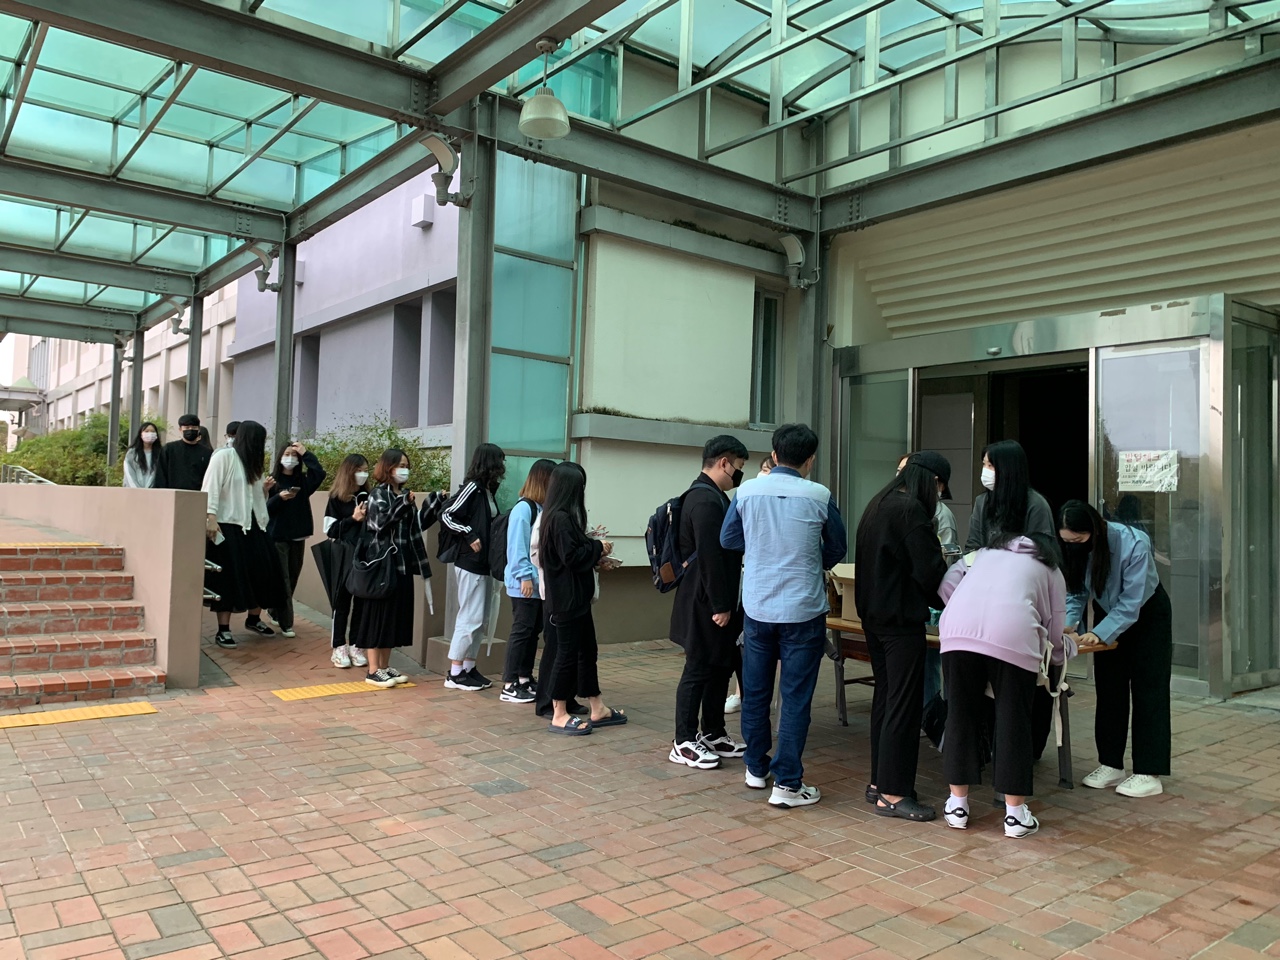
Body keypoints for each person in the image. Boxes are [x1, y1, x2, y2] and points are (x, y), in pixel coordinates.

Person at [721, 424, 847, 809]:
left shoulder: (746, 492)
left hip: (758, 605)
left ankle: (755, 768)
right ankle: (788, 783)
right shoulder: (820, 495)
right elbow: (837, 547)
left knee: (755, 691)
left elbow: (728, 539)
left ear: (774, 455)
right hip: (803, 608)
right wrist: (810, 559)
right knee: (794, 697)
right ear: (810, 459)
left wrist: (761, 550)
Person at [936, 532, 1070, 838]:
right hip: (1014, 635)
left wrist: (969, 612)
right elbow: (1055, 627)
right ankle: (1015, 816)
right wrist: (1061, 655)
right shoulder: (1050, 567)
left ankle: (957, 807)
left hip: (957, 632)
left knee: (960, 715)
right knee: (1013, 720)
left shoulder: (983, 553)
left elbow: (946, 585)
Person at [854, 452, 950, 822]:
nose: (939, 495)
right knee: (903, 707)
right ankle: (893, 794)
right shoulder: (911, 512)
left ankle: (880, 783)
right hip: (900, 624)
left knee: (886, 699)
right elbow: (931, 574)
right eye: (940, 487)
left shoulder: (879, 503)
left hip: (873, 620)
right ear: (932, 481)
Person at [1059, 499, 1170, 798]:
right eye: (1068, 541)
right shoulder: (1076, 548)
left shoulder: (1134, 543)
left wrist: (1099, 632)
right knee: (1109, 689)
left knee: (1149, 691)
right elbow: (1076, 592)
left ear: (1094, 530)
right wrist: (1069, 624)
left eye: (1078, 540)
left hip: (1147, 615)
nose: (1074, 546)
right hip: (1108, 614)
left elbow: (1132, 603)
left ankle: (1148, 771)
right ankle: (1110, 764)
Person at [669, 436, 748, 769]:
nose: (739, 474)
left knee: (720, 665)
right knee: (698, 667)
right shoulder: (704, 500)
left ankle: (713, 731)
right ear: (724, 463)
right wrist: (720, 604)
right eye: (739, 467)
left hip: (712, 599)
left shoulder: (712, 496)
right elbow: (711, 557)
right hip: (705, 602)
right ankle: (683, 741)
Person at [540, 461, 626, 735]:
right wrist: (597, 547)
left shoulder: (562, 517)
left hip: (576, 597)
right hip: (566, 599)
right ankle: (559, 713)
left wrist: (595, 553)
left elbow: (574, 553)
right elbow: (572, 557)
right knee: (566, 653)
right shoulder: (560, 518)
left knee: (587, 651)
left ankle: (597, 706)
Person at [351, 448, 442, 689]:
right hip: (382, 566)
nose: (405, 470)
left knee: (393, 618)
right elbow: (379, 523)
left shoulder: (403, 495)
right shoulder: (378, 494)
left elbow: (416, 525)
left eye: (406, 466)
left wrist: (434, 502)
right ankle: (373, 670)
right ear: (388, 468)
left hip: (402, 565)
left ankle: (384, 666)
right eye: (401, 465)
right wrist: (403, 504)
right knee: (377, 616)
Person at [202, 421, 287, 648]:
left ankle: (254, 618)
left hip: (255, 525)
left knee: (264, 572)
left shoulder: (254, 463)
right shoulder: (224, 456)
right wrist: (210, 517)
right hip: (228, 524)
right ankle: (223, 630)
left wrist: (265, 491)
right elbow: (210, 487)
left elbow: (254, 496)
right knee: (229, 578)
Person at [440, 443, 506, 692]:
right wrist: (469, 534)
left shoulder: (487, 490)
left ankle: (468, 666)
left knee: (481, 618)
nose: (503, 466)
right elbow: (446, 514)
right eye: (500, 461)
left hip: (483, 563)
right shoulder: (473, 488)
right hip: (470, 562)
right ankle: (455, 672)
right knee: (470, 616)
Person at [897, 452, 958, 709]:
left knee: (930, 660)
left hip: (933, 599)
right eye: (899, 470)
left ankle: (930, 712)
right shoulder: (903, 506)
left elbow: (946, 562)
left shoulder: (939, 514)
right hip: (912, 597)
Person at [499, 459, 557, 704]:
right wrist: (524, 576)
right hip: (524, 583)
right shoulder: (524, 508)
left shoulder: (540, 508)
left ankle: (524, 677)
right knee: (522, 631)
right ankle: (509, 683)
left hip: (536, 582)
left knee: (532, 632)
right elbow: (517, 547)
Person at [725, 452, 778, 716]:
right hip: (750, 584)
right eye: (763, 469)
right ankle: (740, 692)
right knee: (744, 643)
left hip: (774, 590)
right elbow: (730, 537)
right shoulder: (749, 495)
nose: (765, 475)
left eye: (770, 470)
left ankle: (765, 701)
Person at [265, 440, 326, 639]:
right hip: (278, 536)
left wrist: (306, 453)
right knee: (283, 578)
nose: (290, 459)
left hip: (298, 534)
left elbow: (319, 473)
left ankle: (275, 610)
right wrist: (277, 497)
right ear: (280, 457)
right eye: (286, 454)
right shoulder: (272, 480)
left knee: (292, 576)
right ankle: (287, 623)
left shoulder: (303, 481)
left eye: (294, 455)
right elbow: (264, 508)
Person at [323, 454, 371, 670]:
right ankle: (338, 646)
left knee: (361, 600)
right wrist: (353, 519)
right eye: (359, 470)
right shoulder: (336, 498)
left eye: (366, 470)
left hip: (365, 554)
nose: (363, 474)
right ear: (349, 472)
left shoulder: (369, 496)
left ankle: (356, 645)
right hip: (343, 554)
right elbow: (330, 530)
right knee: (341, 601)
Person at [964, 440, 1054, 551]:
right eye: (984, 464)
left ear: (1007, 469)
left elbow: (1041, 551)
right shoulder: (982, 502)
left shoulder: (1036, 505)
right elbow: (972, 545)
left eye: (990, 465)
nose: (985, 470)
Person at [154, 413, 212, 491]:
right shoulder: (169, 449)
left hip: (198, 494)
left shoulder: (207, 453)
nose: (190, 430)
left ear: (198, 429)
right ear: (180, 429)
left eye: (194, 427)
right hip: (172, 494)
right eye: (187, 427)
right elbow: (160, 475)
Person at [123, 422, 161, 488]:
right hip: (133, 490)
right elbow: (129, 472)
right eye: (146, 431)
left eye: (152, 431)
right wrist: (137, 489)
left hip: (154, 490)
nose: (150, 434)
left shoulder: (160, 453)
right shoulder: (132, 453)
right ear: (141, 434)